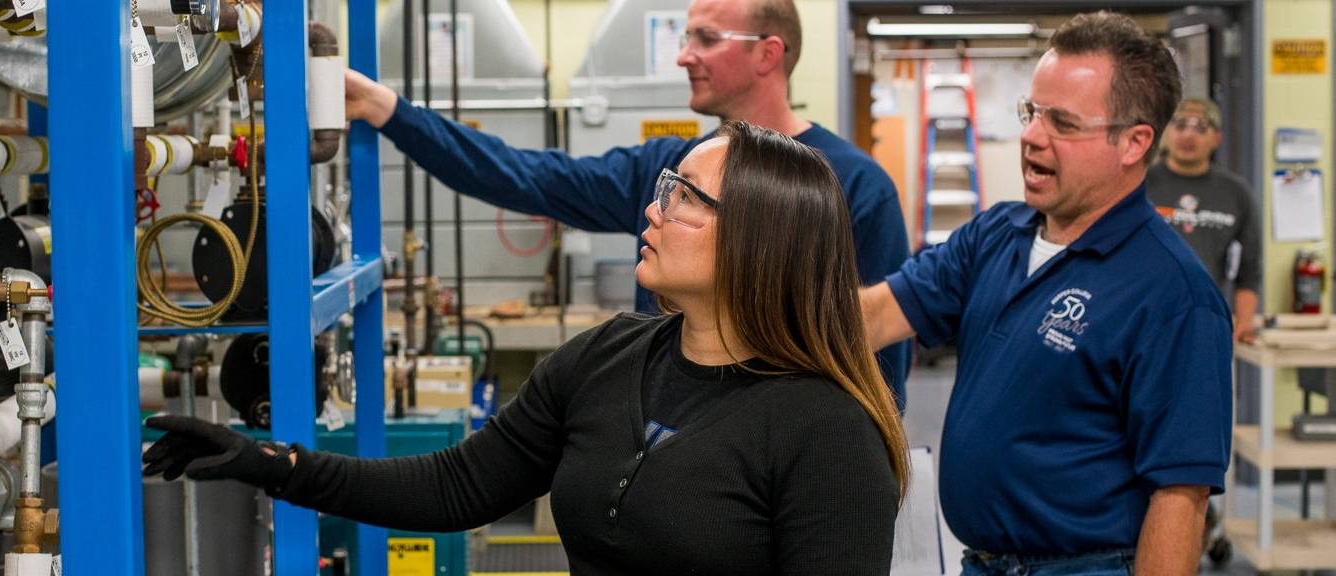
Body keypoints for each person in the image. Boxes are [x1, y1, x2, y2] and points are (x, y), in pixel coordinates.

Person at [144, 122, 908, 575]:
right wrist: (268, 463)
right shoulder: (608, 357)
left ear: (757, 237)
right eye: (662, 186)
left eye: (682, 195)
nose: (651, 206)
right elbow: (454, 488)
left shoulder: (828, 432)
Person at [343, 0, 912, 407]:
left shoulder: (852, 186)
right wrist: (388, 110)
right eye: (686, 37)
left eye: (706, 39)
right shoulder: (664, 170)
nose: (684, 56)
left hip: (777, 472)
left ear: (768, 54)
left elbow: (878, 373)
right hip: (662, 437)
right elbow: (523, 176)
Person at [858, 12, 1231, 576]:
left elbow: (1180, 497)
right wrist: (739, 295)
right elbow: (875, 315)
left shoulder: (1175, 296)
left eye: (1062, 123)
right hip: (983, 564)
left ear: (1133, 143)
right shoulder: (995, 235)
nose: (1031, 136)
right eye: (1031, 112)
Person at [1147, 98, 1261, 344]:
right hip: (1141, 321)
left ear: (1216, 138)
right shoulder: (1138, 183)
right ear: (1166, 131)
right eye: (1179, 125)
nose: (1188, 134)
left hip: (1204, 324)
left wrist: (1244, 321)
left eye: (1201, 127)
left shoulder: (1236, 193)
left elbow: (1250, 269)